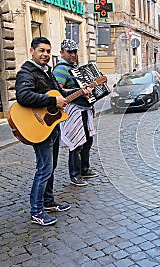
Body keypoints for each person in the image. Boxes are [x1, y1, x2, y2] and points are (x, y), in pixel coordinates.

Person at [15, 37, 88, 226]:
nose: (46, 54)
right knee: (44, 168)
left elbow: (59, 94)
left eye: (48, 51)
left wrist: (81, 91)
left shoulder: (47, 72)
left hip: (51, 125)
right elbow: (23, 96)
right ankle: (36, 211)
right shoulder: (27, 72)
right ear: (32, 51)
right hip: (39, 126)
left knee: (51, 166)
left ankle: (48, 202)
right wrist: (52, 102)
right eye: (42, 51)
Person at [53, 39, 99, 187]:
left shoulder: (76, 68)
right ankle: (75, 174)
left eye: (74, 51)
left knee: (87, 140)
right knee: (76, 142)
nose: (73, 54)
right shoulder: (60, 69)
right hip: (72, 111)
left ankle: (84, 169)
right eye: (69, 52)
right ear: (62, 52)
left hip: (84, 110)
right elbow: (58, 91)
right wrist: (78, 92)